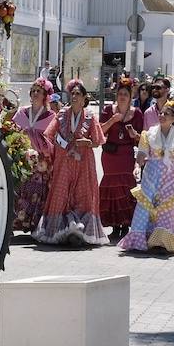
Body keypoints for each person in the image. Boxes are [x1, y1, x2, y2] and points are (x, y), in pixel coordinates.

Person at [34, 80, 108, 246]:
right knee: (61, 192)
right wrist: (64, 144)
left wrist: (87, 142)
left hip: (83, 162)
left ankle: (80, 233)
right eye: (72, 94)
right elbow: (49, 134)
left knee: (83, 194)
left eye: (77, 94)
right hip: (64, 160)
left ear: (84, 98)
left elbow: (97, 141)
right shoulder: (62, 115)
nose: (74, 97)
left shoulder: (90, 117)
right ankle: (58, 230)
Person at [120, 100, 174, 254]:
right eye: (161, 113)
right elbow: (142, 152)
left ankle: (163, 241)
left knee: (168, 208)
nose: (162, 115)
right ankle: (140, 239)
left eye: (166, 114)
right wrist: (137, 165)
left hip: (172, 175)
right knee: (145, 205)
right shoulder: (149, 133)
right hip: (152, 173)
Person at [99, 79, 143, 242]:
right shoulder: (108, 110)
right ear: (116, 95)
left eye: (126, 94)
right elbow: (99, 131)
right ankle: (114, 225)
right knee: (111, 187)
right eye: (120, 94)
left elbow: (141, 138)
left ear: (131, 96)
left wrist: (134, 135)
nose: (122, 97)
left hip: (126, 155)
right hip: (110, 154)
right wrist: (112, 120)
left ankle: (125, 225)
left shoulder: (137, 113)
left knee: (126, 188)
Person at [12, 78, 56, 233]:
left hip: (42, 163)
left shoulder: (51, 116)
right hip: (23, 160)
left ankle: (35, 223)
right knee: (22, 190)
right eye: (34, 91)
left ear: (46, 96)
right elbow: (12, 133)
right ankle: (20, 221)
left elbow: (54, 140)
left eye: (39, 91)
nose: (36, 93)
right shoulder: (22, 112)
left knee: (38, 192)